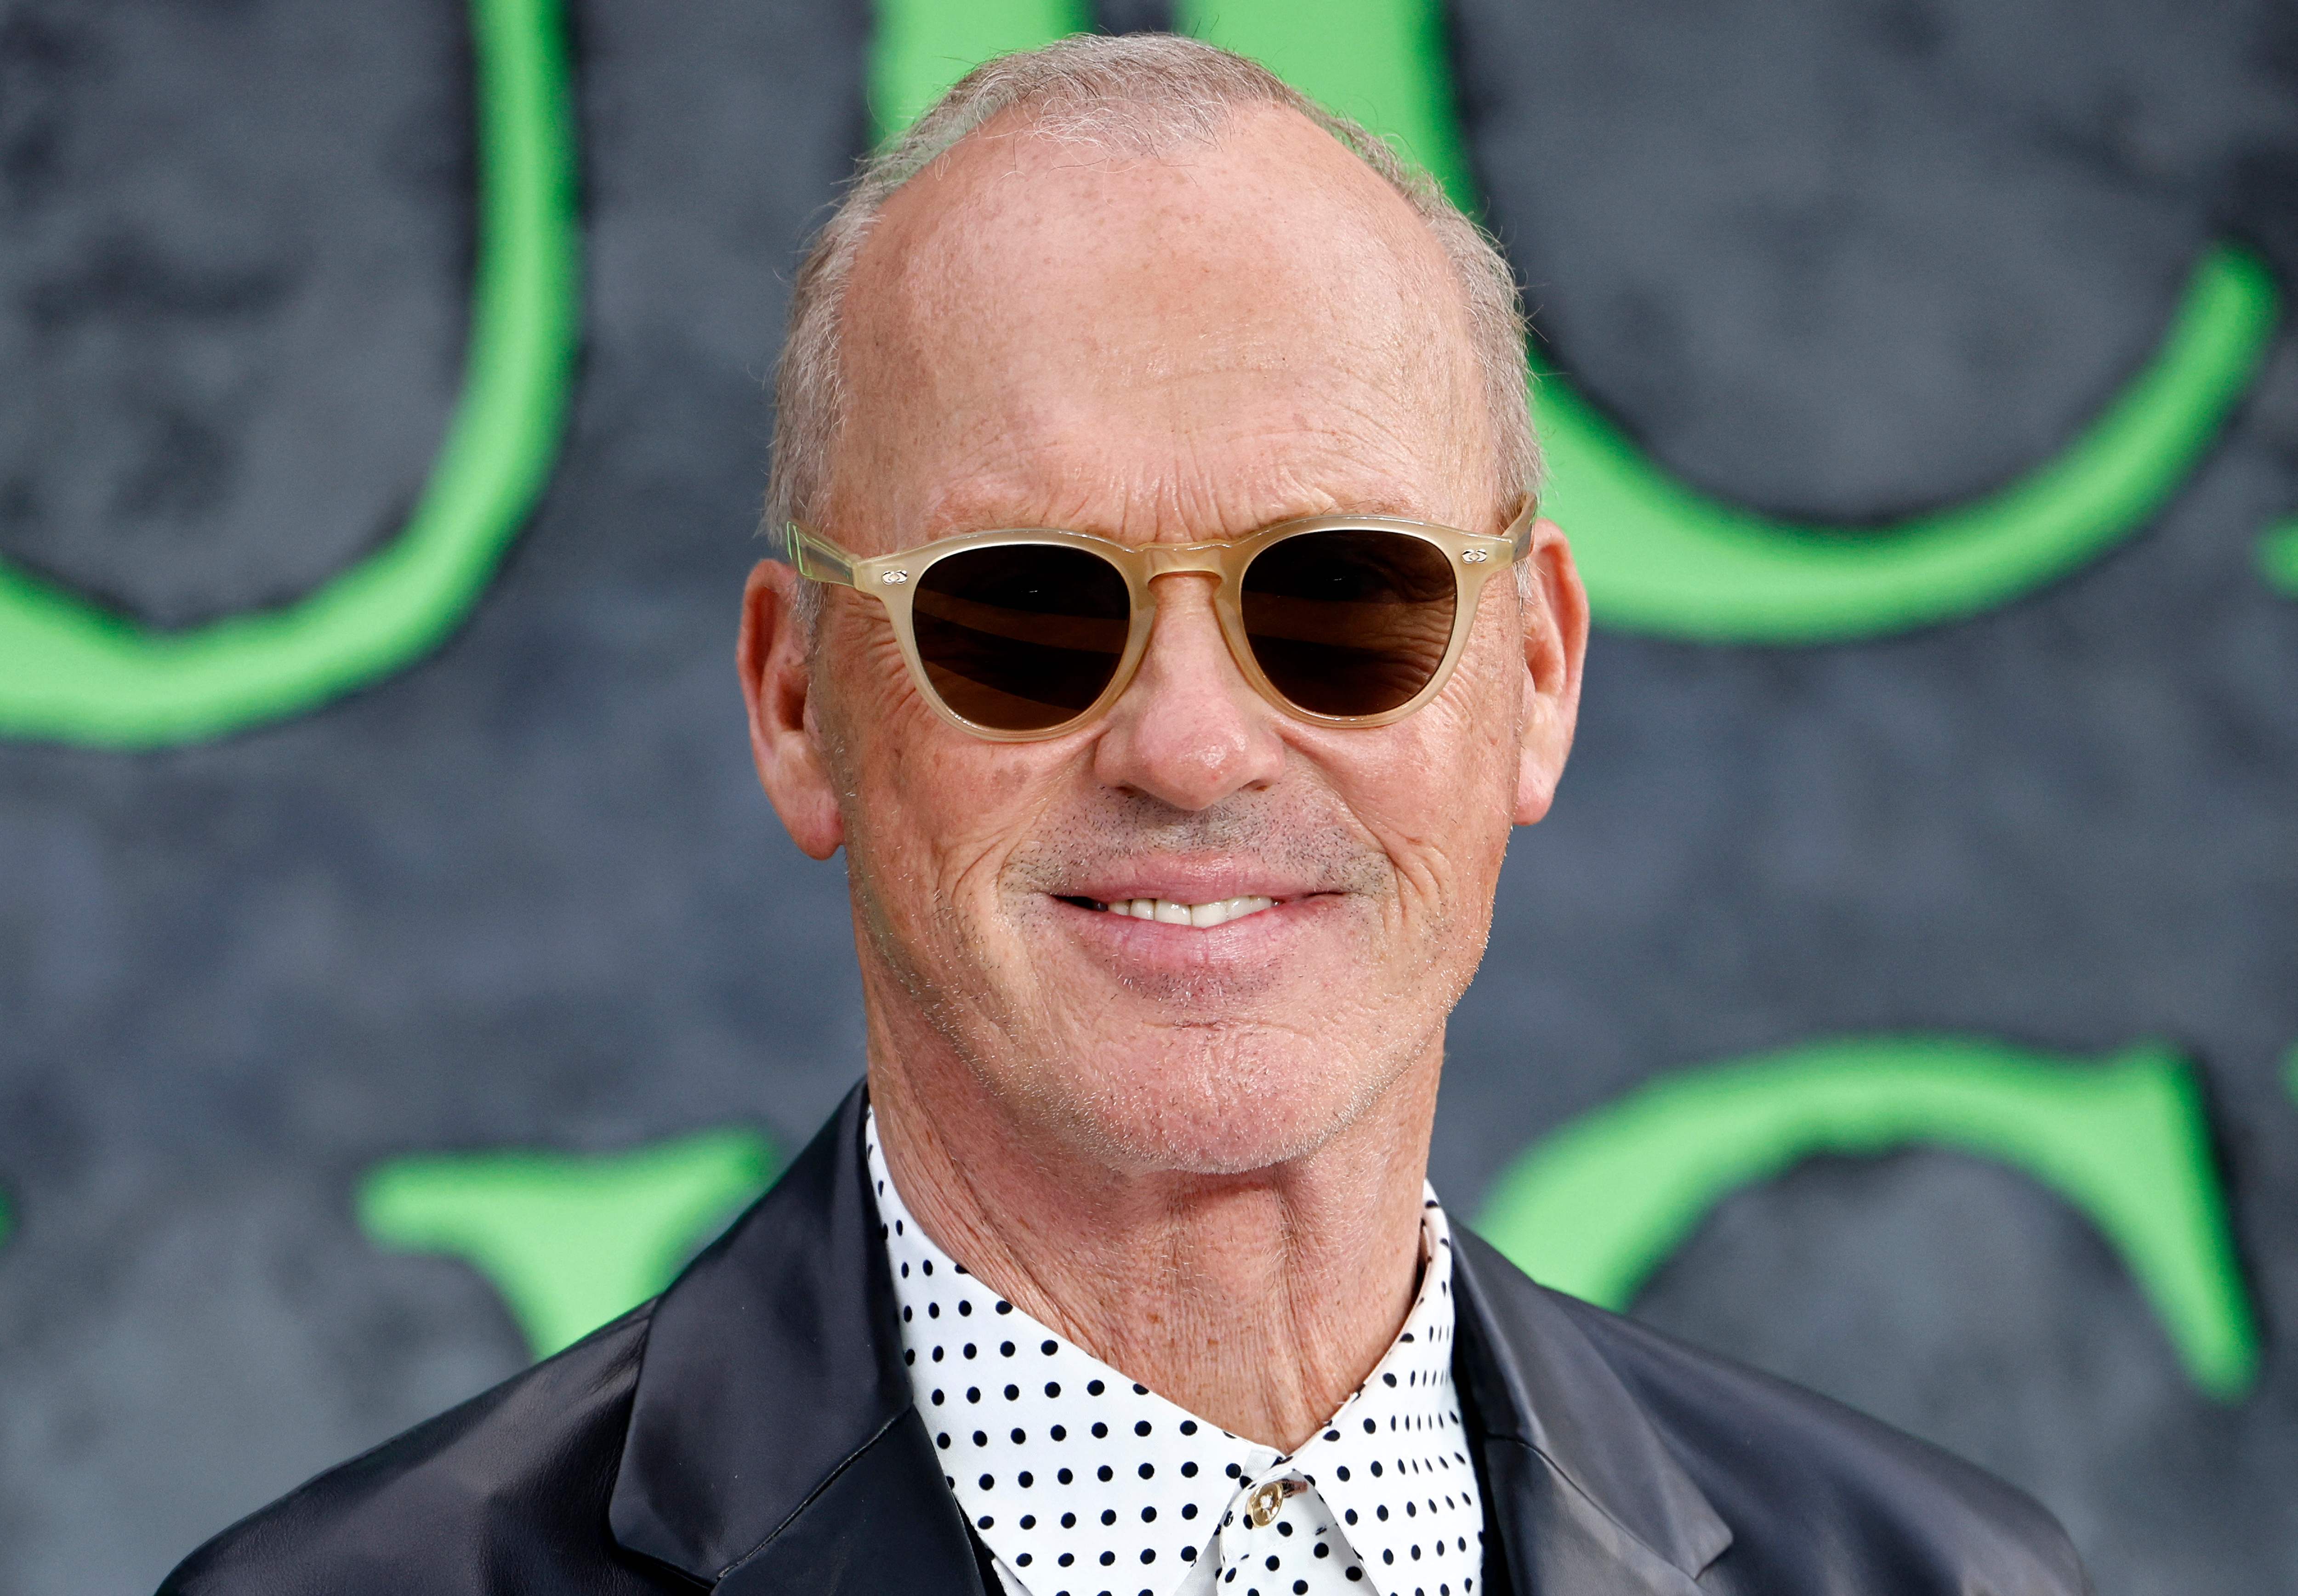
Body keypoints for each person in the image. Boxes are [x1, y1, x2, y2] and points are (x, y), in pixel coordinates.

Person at [162, 34, 2088, 1596]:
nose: (1187, 743)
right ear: (793, 701)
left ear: (1532, 673)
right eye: (1022, 609)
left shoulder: (1941, 1575)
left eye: (1339, 597)